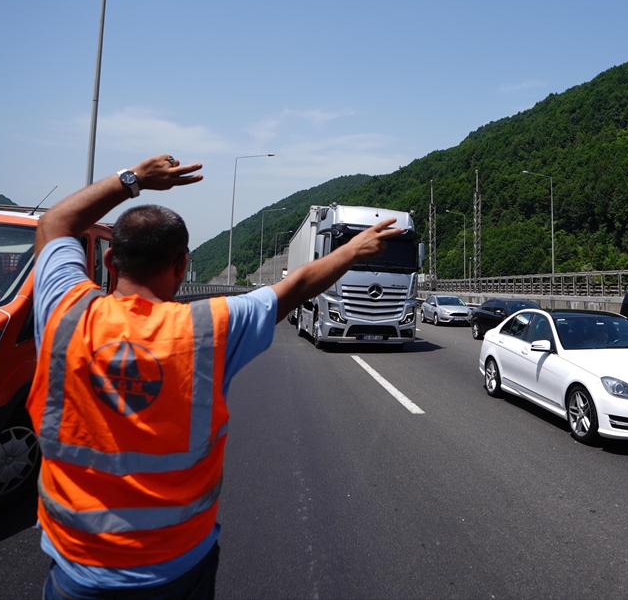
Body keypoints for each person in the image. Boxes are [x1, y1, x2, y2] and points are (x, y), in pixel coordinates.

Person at [29, 154, 401, 599]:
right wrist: (352, 250)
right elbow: (297, 286)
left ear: (110, 261)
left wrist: (135, 180)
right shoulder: (209, 328)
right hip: (177, 567)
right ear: (183, 267)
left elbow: (54, 224)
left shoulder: (64, 312)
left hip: (77, 568)